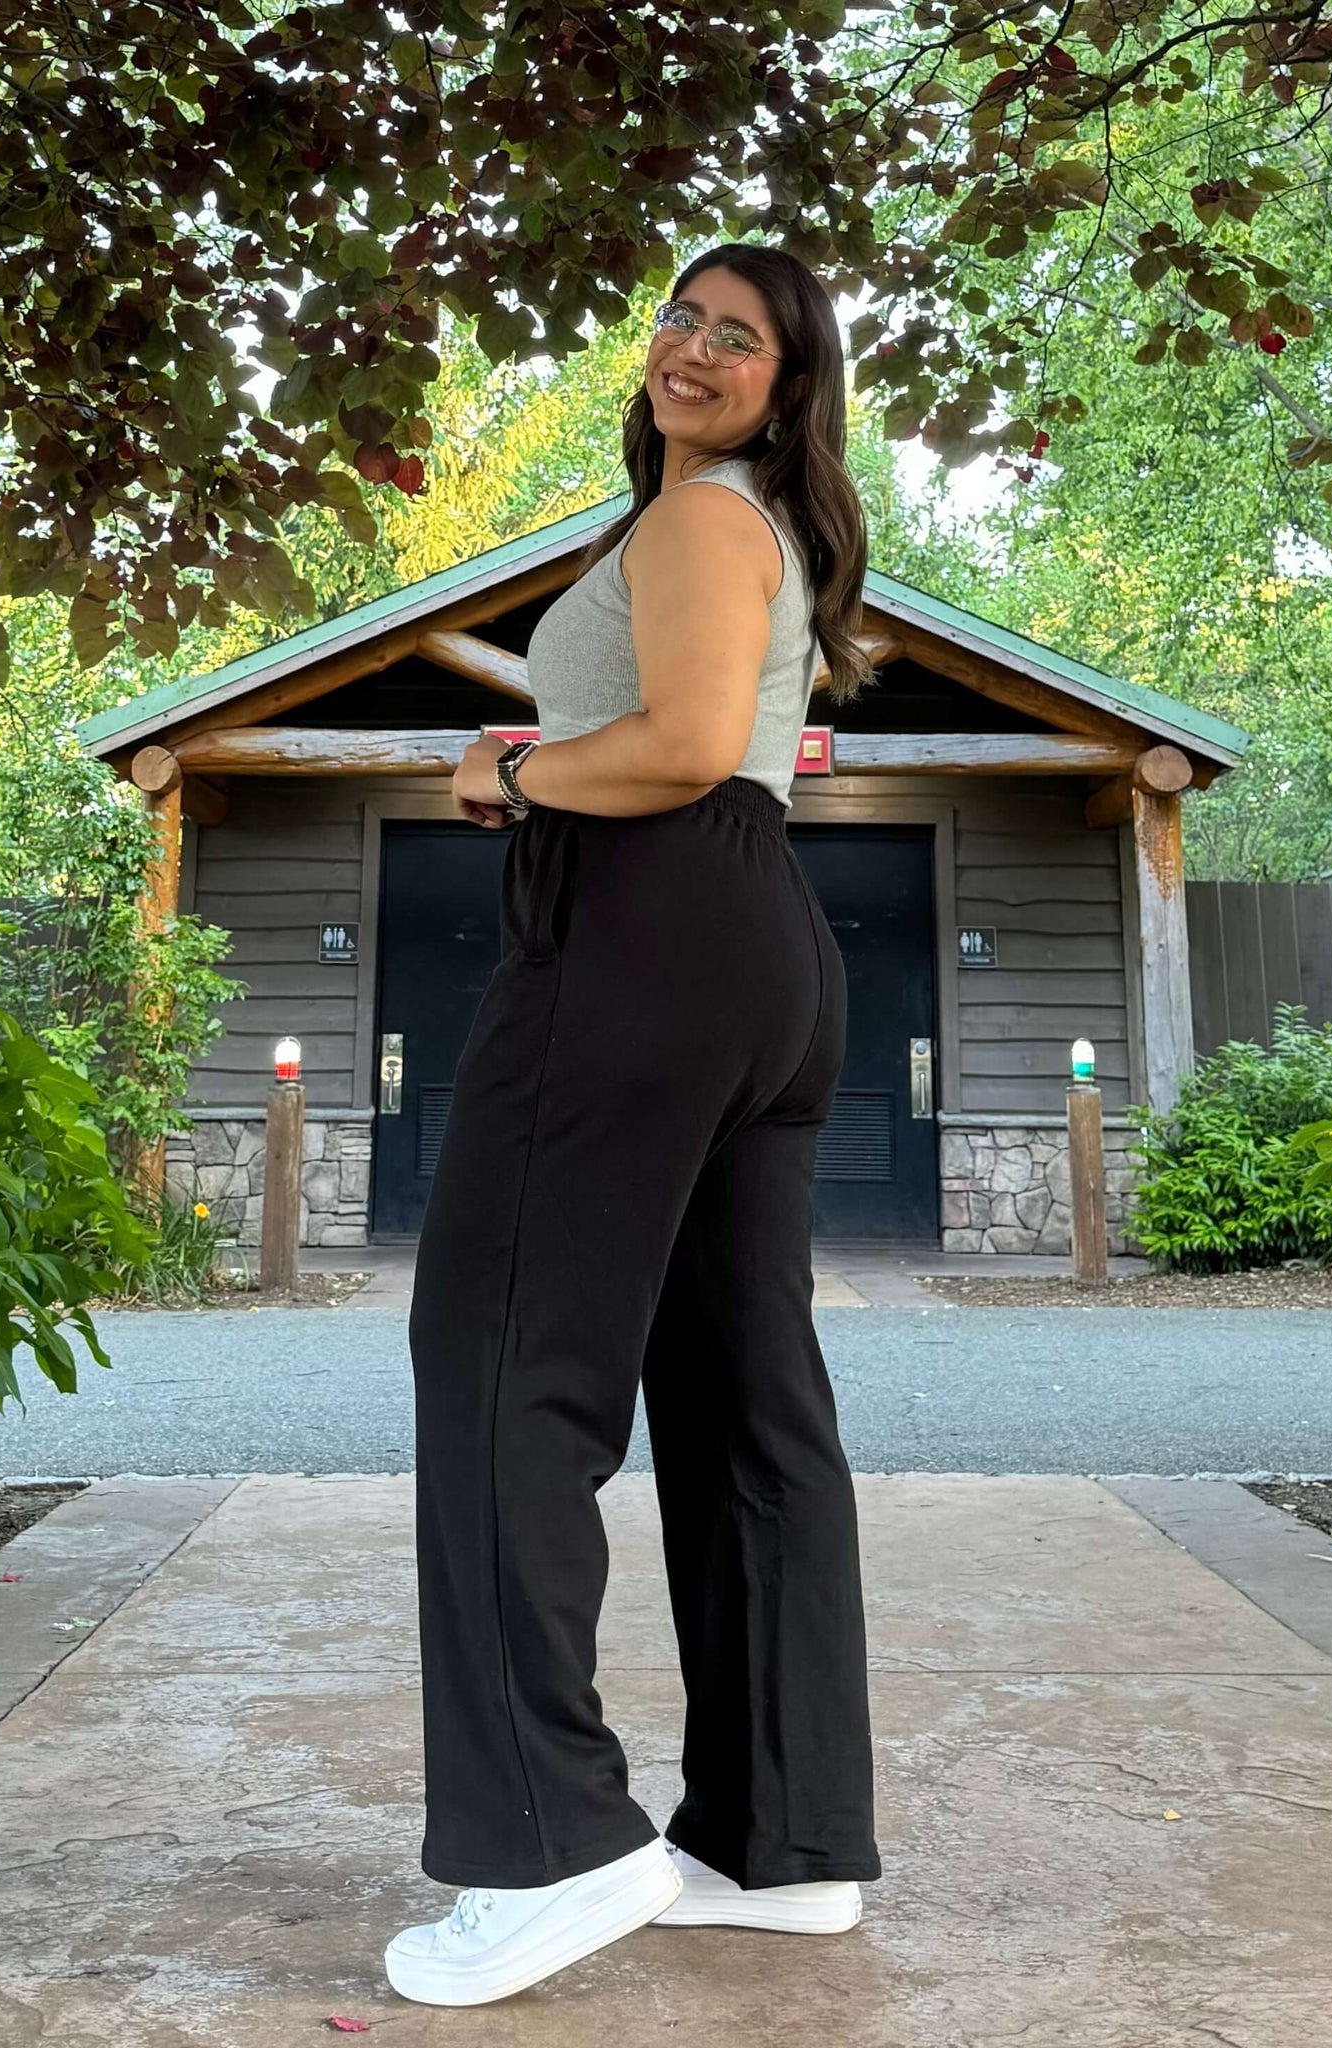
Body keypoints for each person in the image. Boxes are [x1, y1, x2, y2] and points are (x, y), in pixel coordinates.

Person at [385, 243, 883, 2009]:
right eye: (681, 316)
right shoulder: (759, 526)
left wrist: (507, 767)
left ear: (788, 387)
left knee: (502, 1354)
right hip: (759, 947)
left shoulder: (700, 520)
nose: (693, 349)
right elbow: (717, 746)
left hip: (647, 924)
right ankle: (780, 1841)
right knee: (748, 1391)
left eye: (739, 338)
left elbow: (679, 745)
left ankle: (552, 1842)